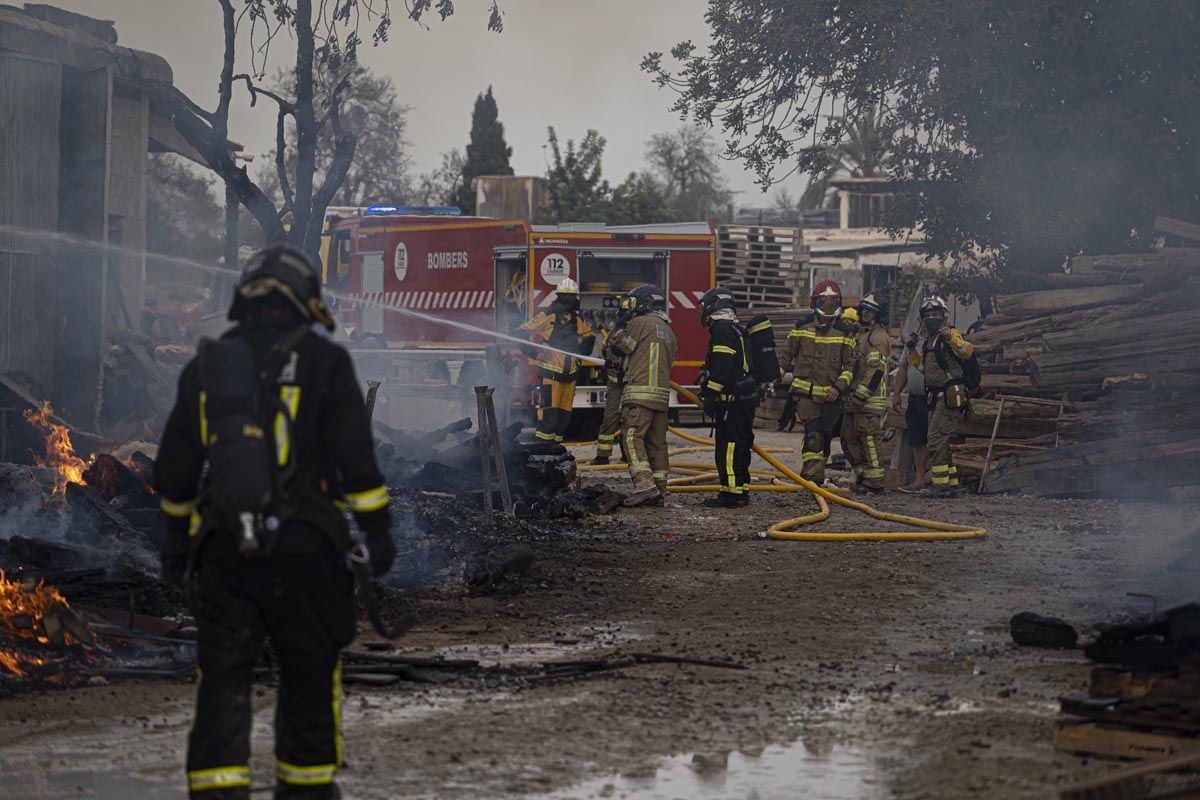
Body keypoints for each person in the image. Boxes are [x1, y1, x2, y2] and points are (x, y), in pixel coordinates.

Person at [155, 244, 395, 800]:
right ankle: (307, 789)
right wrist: (377, 535)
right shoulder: (326, 363)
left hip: (224, 558)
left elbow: (174, 472)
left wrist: (176, 546)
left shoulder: (208, 364)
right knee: (310, 675)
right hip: (307, 556)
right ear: (306, 301)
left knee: (222, 680)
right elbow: (358, 464)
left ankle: (217, 790)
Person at [781, 280, 857, 483]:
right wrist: (771, 381)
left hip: (832, 397)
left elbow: (850, 367)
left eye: (832, 301)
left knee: (823, 436)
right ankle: (814, 479)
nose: (828, 306)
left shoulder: (844, 332)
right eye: (823, 301)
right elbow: (785, 357)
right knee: (813, 433)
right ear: (815, 303)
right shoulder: (801, 328)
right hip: (805, 395)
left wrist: (838, 387)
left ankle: (810, 472)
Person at [609, 284, 677, 507]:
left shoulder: (638, 323)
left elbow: (621, 346)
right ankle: (659, 489)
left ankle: (644, 485)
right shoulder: (668, 330)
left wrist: (620, 324)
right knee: (657, 443)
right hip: (661, 396)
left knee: (630, 437)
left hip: (639, 393)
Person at [697, 286, 758, 507]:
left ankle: (731, 494)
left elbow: (723, 368)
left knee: (729, 448)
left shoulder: (722, 330)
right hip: (745, 401)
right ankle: (741, 490)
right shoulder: (737, 329)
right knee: (741, 446)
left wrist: (710, 395)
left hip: (731, 404)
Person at [912, 295, 976, 497]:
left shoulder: (950, 334)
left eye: (936, 314)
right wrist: (910, 350)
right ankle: (950, 484)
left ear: (943, 316)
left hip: (950, 395)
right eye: (927, 314)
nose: (931, 317)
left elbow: (967, 352)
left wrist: (952, 338)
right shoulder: (929, 341)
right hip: (935, 396)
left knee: (935, 438)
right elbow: (925, 369)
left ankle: (940, 486)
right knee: (942, 441)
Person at [519, 277, 596, 443]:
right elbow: (522, 334)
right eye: (566, 296)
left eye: (573, 296)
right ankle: (542, 448)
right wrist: (536, 355)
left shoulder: (576, 319)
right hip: (550, 375)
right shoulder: (548, 315)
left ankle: (555, 448)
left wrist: (581, 353)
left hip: (570, 376)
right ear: (559, 296)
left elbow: (590, 337)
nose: (570, 300)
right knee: (549, 415)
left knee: (563, 417)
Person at [842, 293, 891, 493]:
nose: (865, 313)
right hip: (853, 398)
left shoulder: (877, 337)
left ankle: (875, 482)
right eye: (863, 309)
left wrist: (861, 395)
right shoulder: (860, 334)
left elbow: (875, 369)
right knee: (847, 437)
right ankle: (862, 475)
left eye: (870, 310)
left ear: (877, 315)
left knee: (870, 440)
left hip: (869, 400)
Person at [593, 295, 634, 465]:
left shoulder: (635, 331)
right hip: (615, 383)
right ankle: (602, 456)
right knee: (609, 419)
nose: (624, 316)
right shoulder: (614, 331)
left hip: (631, 383)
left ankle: (627, 456)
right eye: (623, 312)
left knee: (629, 421)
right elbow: (606, 349)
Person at [892, 332, 930, 492]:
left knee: (935, 439)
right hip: (916, 398)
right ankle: (919, 479)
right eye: (926, 315)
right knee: (917, 440)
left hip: (934, 398)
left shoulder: (941, 340)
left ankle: (937, 480)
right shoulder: (912, 343)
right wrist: (897, 393)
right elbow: (903, 368)